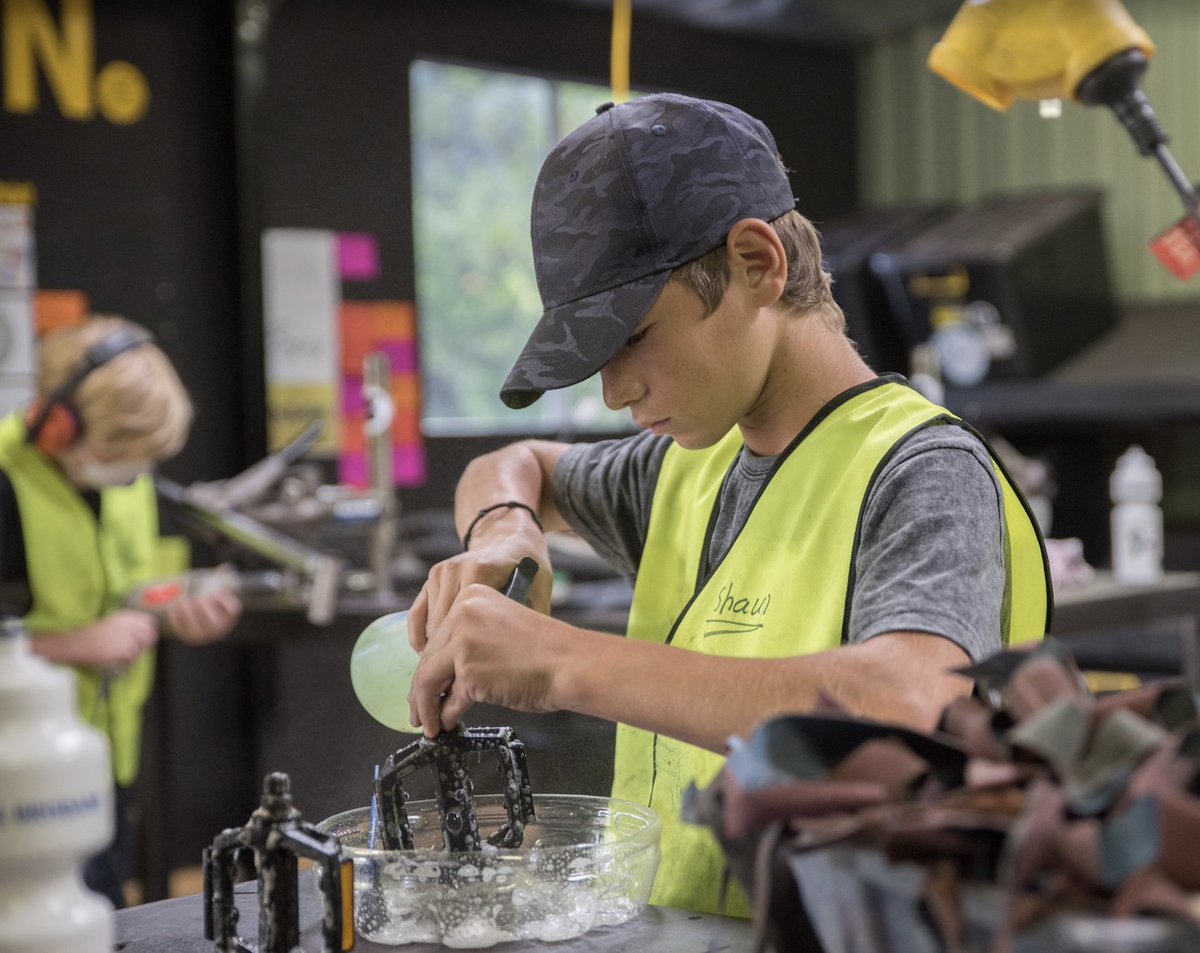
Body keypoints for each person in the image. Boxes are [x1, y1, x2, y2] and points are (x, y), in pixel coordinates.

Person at [403, 94, 1051, 916]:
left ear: (758, 263)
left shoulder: (922, 467)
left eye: (632, 337)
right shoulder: (684, 467)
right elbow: (513, 463)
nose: (613, 391)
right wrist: (505, 532)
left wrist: (562, 660)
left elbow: (910, 702)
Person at [0, 315, 242, 908]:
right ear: (56, 426)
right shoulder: (5, 484)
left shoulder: (124, 473)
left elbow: (126, 584)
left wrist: (182, 605)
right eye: (116, 455)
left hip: (103, 756)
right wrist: (75, 644)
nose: (129, 475)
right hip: (18, 772)